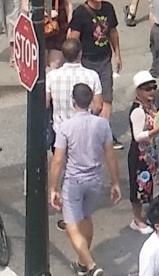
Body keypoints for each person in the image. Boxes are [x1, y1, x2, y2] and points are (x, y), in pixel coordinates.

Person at [49, 83, 122, 276]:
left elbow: (58, 160)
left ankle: (91, 265)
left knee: (71, 225)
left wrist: (53, 188)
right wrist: (115, 182)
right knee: (87, 218)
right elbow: (110, 155)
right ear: (91, 100)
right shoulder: (102, 124)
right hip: (95, 179)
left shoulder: (65, 127)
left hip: (74, 181)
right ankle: (82, 262)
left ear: (73, 101)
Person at [68, 0, 123, 148]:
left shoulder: (108, 8)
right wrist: (73, 62)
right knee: (88, 100)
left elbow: (113, 32)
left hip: (104, 59)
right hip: (86, 61)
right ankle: (87, 133)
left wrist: (118, 54)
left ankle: (104, 134)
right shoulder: (80, 13)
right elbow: (73, 39)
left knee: (107, 97)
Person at [128, 70, 159, 234]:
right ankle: (137, 219)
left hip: (150, 153)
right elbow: (137, 136)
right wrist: (155, 130)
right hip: (139, 155)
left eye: (153, 87)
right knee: (139, 188)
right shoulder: (138, 111)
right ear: (138, 91)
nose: (151, 91)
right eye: (147, 88)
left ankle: (153, 215)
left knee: (154, 185)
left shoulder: (150, 106)